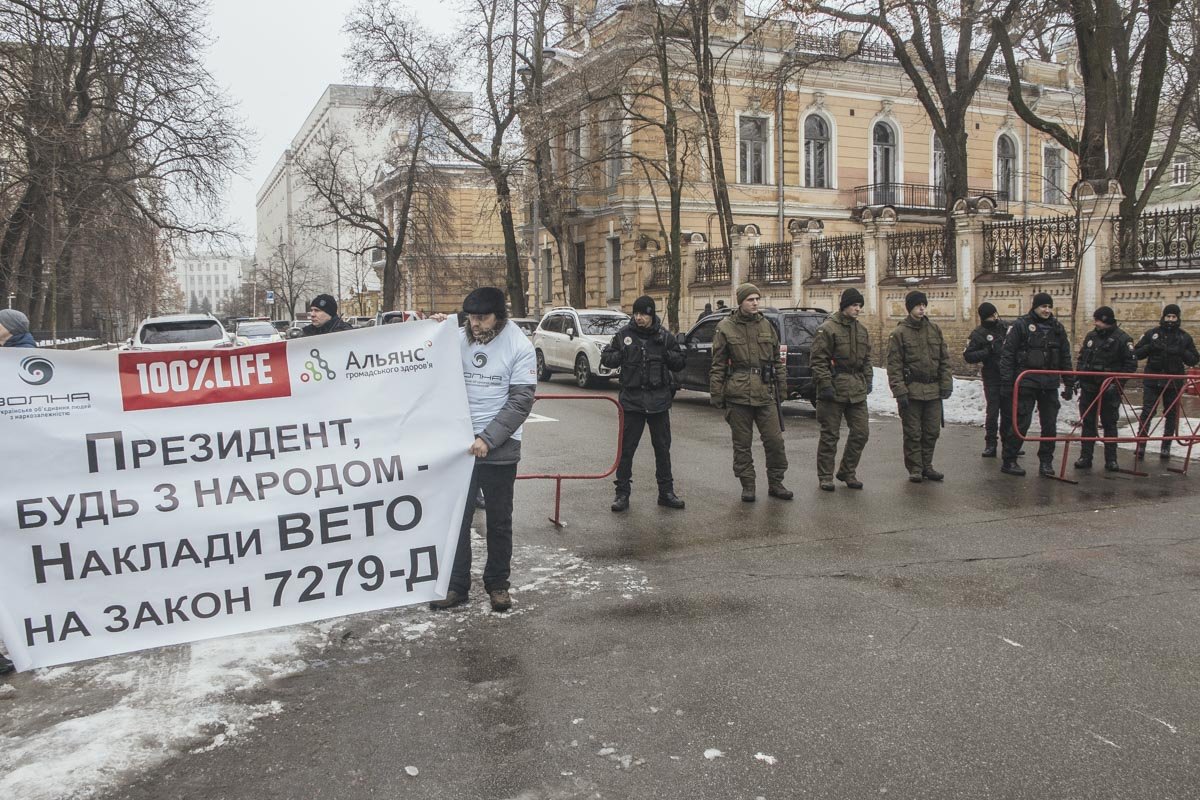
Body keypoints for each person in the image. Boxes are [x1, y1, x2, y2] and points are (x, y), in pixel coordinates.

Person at [429, 287, 536, 613]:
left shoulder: (520, 345)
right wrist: (432, 330)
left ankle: (498, 584)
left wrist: (488, 439)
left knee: (499, 521)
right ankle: (456, 585)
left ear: (499, 317)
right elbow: (426, 362)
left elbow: (521, 401)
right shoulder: (458, 337)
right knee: (456, 521)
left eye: (482, 318)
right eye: (471, 318)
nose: (475, 324)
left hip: (499, 448)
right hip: (460, 445)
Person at [601, 295, 686, 511]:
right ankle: (622, 494)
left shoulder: (665, 337)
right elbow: (607, 358)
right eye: (636, 314)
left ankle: (666, 492)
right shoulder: (624, 336)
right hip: (632, 402)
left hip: (658, 402)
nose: (639, 318)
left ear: (651, 314)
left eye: (643, 314)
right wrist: (617, 354)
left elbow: (679, 362)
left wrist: (667, 354)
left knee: (662, 449)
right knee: (626, 450)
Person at [709, 283, 791, 502]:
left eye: (757, 299)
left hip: (765, 392)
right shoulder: (725, 327)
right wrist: (717, 393)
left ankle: (776, 482)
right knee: (742, 444)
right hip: (738, 394)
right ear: (741, 302)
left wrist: (781, 388)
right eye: (750, 299)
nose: (755, 303)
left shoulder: (767, 326)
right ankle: (748, 484)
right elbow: (717, 365)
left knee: (775, 441)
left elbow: (777, 361)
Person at [998, 292, 1074, 477]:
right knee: (1021, 422)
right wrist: (1008, 383)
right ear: (1035, 307)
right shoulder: (1021, 325)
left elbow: (1065, 356)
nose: (1047, 310)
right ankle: (1009, 459)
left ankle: (1046, 462)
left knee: (1049, 424)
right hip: (1026, 382)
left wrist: (1069, 383)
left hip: (1049, 383)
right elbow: (1007, 354)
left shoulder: (1057, 328)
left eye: (1049, 307)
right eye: (1043, 307)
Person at [810, 288, 872, 491]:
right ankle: (825, 476)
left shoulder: (861, 330)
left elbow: (867, 360)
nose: (857, 309)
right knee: (830, 435)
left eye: (859, 306)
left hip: (856, 388)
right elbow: (819, 360)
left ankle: (847, 470)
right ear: (845, 305)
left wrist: (868, 381)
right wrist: (825, 384)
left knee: (861, 432)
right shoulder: (827, 329)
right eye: (854, 305)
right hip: (834, 388)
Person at [887, 291, 953, 483]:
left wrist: (946, 384)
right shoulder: (899, 333)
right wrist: (899, 390)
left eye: (924, 305)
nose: (922, 308)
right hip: (912, 390)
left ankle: (927, 466)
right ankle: (915, 468)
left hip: (933, 390)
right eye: (918, 305)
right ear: (910, 308)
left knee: (932, 431)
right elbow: (894, 365)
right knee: (913, 433)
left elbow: (944, 360)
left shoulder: (934, 329)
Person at [1074, 306, 1137, 471]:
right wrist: (1078, 377)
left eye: (1099, 320)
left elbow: (1130, 365)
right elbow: (1082, 359)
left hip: (1109, 388)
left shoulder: (1122, 339)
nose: (1096, 323)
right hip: (1089, 387)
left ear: (1106, 320)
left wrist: (1116, 383)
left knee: (1109, 423)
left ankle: (1111, 460)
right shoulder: (1092, 336)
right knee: (1088, 422)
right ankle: (1085, 457)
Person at [1134, 304, 1199, 460]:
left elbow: (1194, 359)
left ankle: (1166, 446)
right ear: (1163, 317)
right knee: (1148, 412)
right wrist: (1150, 347)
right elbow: (1136, 353)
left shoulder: (1184, 337)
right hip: (1153, 380)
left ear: (1178, 318)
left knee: (1171, 414)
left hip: (1173, 382)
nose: (1170, 320)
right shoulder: (1152, 334)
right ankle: (1141, 443)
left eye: (1173, 317)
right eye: (1168, 317)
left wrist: (1182, 351)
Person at [963, 302, 1010, 457]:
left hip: (1008, 376)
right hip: (991, 377)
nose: (993, 318)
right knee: (993, 412)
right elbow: (968, 355)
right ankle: (991, 443)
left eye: (994, 314)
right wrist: (987, 351)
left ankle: (1009, 443)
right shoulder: (979, 333)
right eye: (990, 316)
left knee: (1009, 411)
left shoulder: (1005, 328)